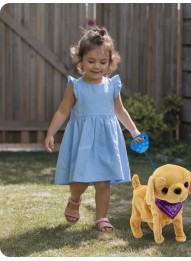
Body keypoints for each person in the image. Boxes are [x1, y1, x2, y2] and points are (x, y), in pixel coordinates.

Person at [44, 26, 142, 232]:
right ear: (80, 61)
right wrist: (51, 133)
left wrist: (134, 132)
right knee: (80, 181)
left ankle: (101, 218)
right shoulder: (76, 86)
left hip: (106, 140)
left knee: (103, 182)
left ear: (110, 62)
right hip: (83, 141)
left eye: (102, 62)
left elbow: (120, 111)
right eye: (91, 61)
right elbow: (62, 111)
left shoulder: (112, 86)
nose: (97, 66)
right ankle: (75, 199)